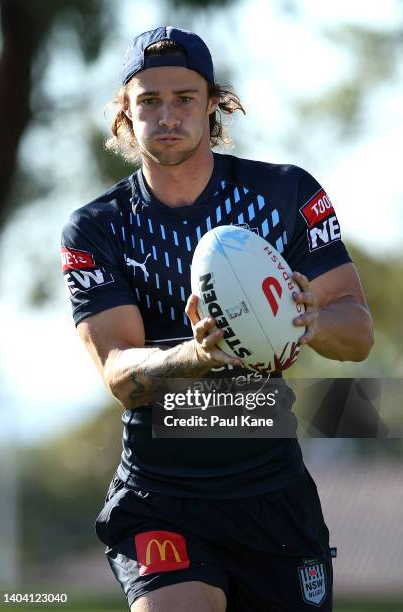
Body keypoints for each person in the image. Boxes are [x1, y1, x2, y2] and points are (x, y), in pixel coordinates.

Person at [61, 26, 374, 612]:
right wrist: (196, 355)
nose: (168, 115)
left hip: (272, 491)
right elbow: (118, 373)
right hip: (161, 496)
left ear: (213, 102)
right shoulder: (96, 228)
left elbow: (357, 332)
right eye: (149, 101)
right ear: (126, 115)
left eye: (184, 98)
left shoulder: (286, 194)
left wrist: (308, 320)